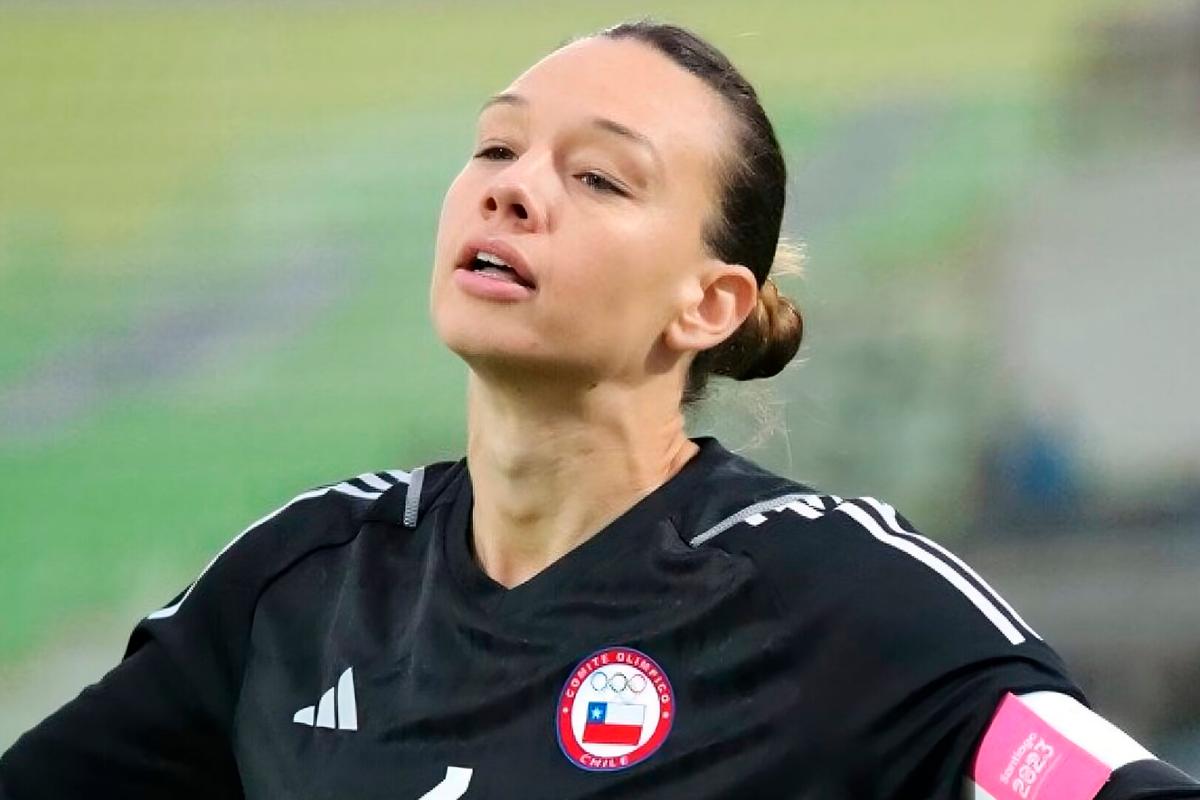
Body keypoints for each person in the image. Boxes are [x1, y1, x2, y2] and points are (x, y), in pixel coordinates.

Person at [1, 19, 1196, 800]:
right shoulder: (299, 589)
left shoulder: (839, 597)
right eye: (495, 150)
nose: (515, 190)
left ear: (709, 302)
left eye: (598, 176)